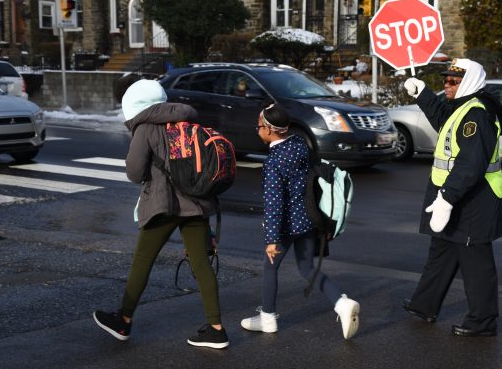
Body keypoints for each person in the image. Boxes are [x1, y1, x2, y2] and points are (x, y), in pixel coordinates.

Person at [93, 79, 229, 349]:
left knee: (142, 262)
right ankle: (216, 329)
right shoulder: (188, 121)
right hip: (196, 203)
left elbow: (134, 172)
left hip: (163, 204)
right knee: (201, 264)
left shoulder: (146, 127)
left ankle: (124, 320)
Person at [401, 59, 502, 337]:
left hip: (473, 201)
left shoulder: (477, 115)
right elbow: (443, 120)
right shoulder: (463, 108)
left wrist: (446, 199)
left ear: (469, 82)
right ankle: (424, 305)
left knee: (476, 264)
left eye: (453, 81)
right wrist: (423, 94)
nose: (447, 85)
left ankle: (483, 321)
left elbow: (470, 164)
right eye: (446, 80)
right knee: (441, 253)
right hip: (453, 197)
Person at [240, 104, 360, 340]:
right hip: (308, 219)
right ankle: (341, 302)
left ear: (270, 130)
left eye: (259, 126)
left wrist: (272, 239)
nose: (257, 130)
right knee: (307, 268)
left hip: (286, 225)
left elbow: (274, 202)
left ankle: (268, 318)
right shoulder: (298, 144)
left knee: (270, 266)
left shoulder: (274, 162)